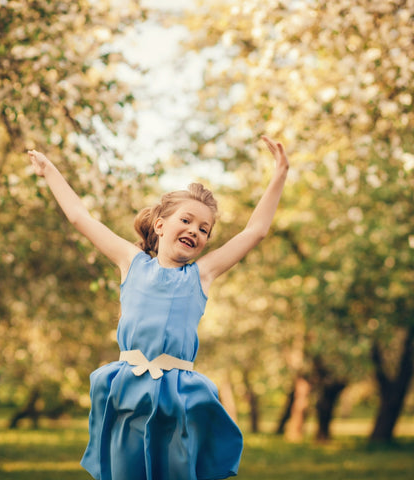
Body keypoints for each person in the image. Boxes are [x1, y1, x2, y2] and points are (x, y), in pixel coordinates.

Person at [28, 135, 289, 480]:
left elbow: (255, 230)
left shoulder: (202, 275)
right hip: (128, 391)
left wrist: (280, 174)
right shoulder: (131, 262)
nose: (194, 231)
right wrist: (51, 173)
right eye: (187, 220)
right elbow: (79, 217)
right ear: (160, 225)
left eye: (204, 229)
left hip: (177, 397)